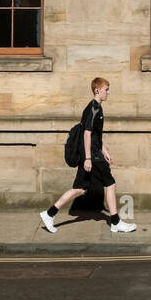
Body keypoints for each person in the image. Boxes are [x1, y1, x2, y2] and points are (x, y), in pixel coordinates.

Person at [39, 77, 136, 233]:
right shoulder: (93, 108)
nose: (108, 92)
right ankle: (116, 222)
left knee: (80, 189)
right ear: (97, 90)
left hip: (94, 154)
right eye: (106, 89)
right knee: (110, 184)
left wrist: (106, 152)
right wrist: (89, 158)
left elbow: (96, 136)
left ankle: (49, 214)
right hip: (92, 156)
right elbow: (87, 134)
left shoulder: (97, 108)